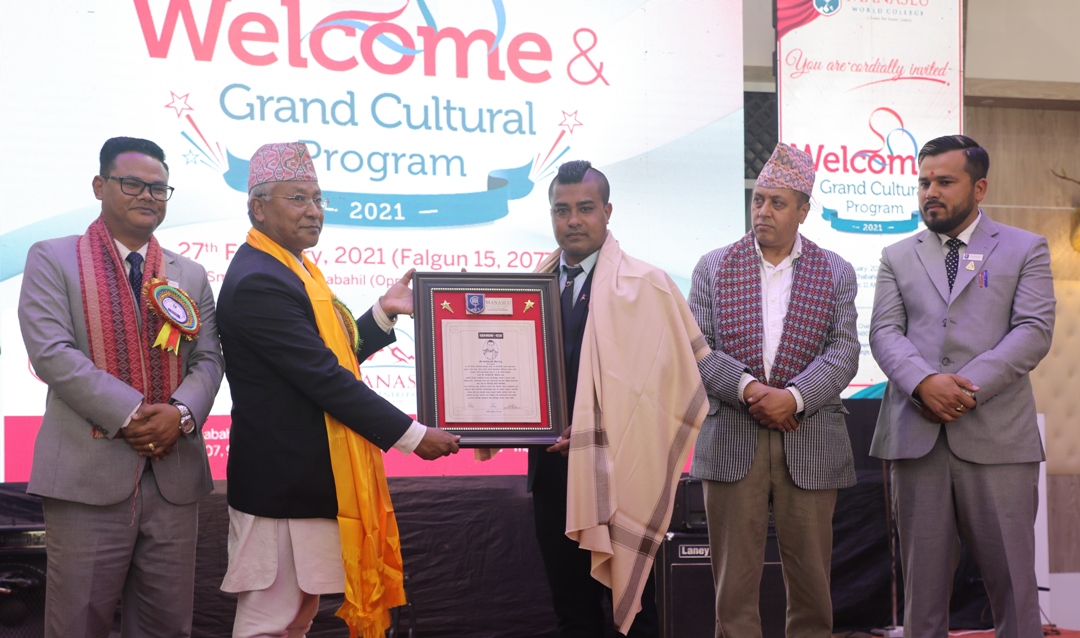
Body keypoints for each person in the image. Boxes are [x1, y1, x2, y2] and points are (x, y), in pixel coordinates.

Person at [216, 141, 461, 638]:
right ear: (258, 207)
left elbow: (330, 358)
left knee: (295, 619)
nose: (314, 211)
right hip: (280, 487)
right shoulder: (260, 279)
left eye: (318, 198)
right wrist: (412, 436)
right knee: (270, 623)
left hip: (302, 484)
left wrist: (383, 313)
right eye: (297, 199)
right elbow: (324, 378)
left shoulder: (295, 269)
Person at [18, 136, 223, 637]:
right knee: (77, 625)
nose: (148, 196)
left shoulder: (190, 273)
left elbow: (209, 358)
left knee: (166, 627)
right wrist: (132, 413)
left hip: (174, 477)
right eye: (132, 183)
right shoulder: (53, 257)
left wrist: (180, 413)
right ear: (99, 186)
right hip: (85, 479)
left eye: (158, 188)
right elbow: (51, 352)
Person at [869, 134, 1055, 638]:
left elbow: (1034, 331)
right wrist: (924, 382)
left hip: (998, 438)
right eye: (924, 182)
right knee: (923, 595)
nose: (930, 191)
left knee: (1014, 587)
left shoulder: (1025, 247)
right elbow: (884, 333)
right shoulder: (897, 255)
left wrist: (963, 388)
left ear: (979, 188)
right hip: (918, 438)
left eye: (945, 181)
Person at [528, 160, 709, 636]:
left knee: (636, 613)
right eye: (562, 210)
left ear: (607, 212)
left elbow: (665, 387)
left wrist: (595, 430)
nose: (573, 220)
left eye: (585, 208)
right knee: (571, 611)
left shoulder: (645, 287)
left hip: (620, 468)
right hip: (550, 470)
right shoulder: (530, 287)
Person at [689, 142, 859, 638]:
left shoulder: (835, 270)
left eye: (777, 203)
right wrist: (748, 390)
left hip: (809, 438)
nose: (763, 211)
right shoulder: (713, 266)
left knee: (812, 587)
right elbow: (697, 349)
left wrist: (794, 398)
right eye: (758, 200)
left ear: (803, 210)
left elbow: (844, 351)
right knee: (733, 590)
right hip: (732, 436)